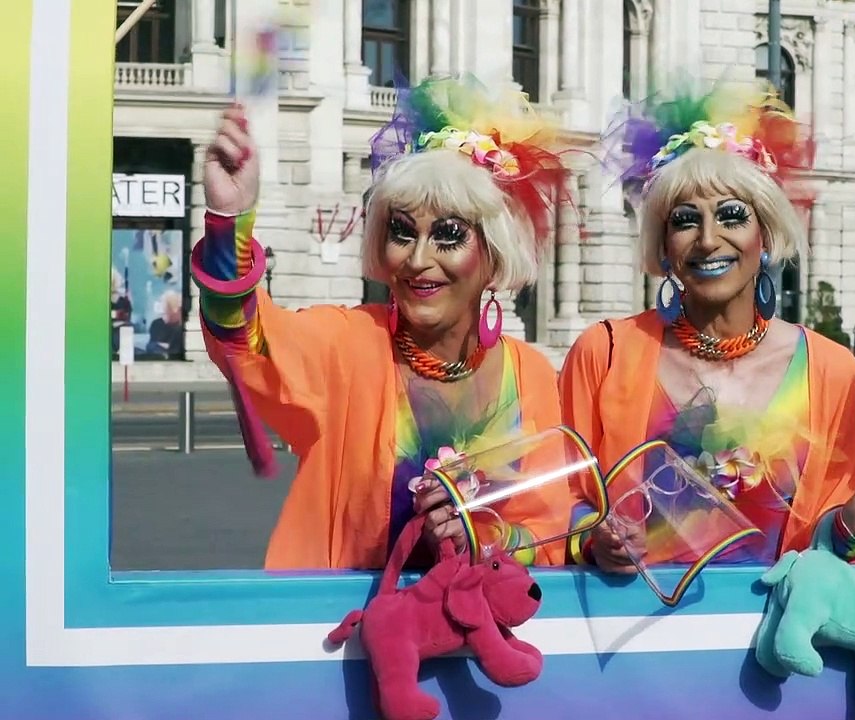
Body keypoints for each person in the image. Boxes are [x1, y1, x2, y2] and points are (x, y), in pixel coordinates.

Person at [193, 77, 578, 570]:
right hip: (348, 639)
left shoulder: (531, 374)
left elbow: (548, 538)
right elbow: (245, 342)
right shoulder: (348, 344)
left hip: (480, 641)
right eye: (401, 232)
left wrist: (479, 538)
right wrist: (229, 221)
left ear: (494, 252)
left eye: (448, 235)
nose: (418, 259)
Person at [559, 80, 855, 574]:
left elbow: (831, 549)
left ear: (766, 236)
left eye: (732, 216)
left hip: (776, 639)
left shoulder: (830, 368)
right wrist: (594, 538)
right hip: (631, 637)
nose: (708, 240)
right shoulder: (602, 353)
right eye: (685, 220)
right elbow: (555, 498)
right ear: (664, 246)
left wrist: (853, 527)